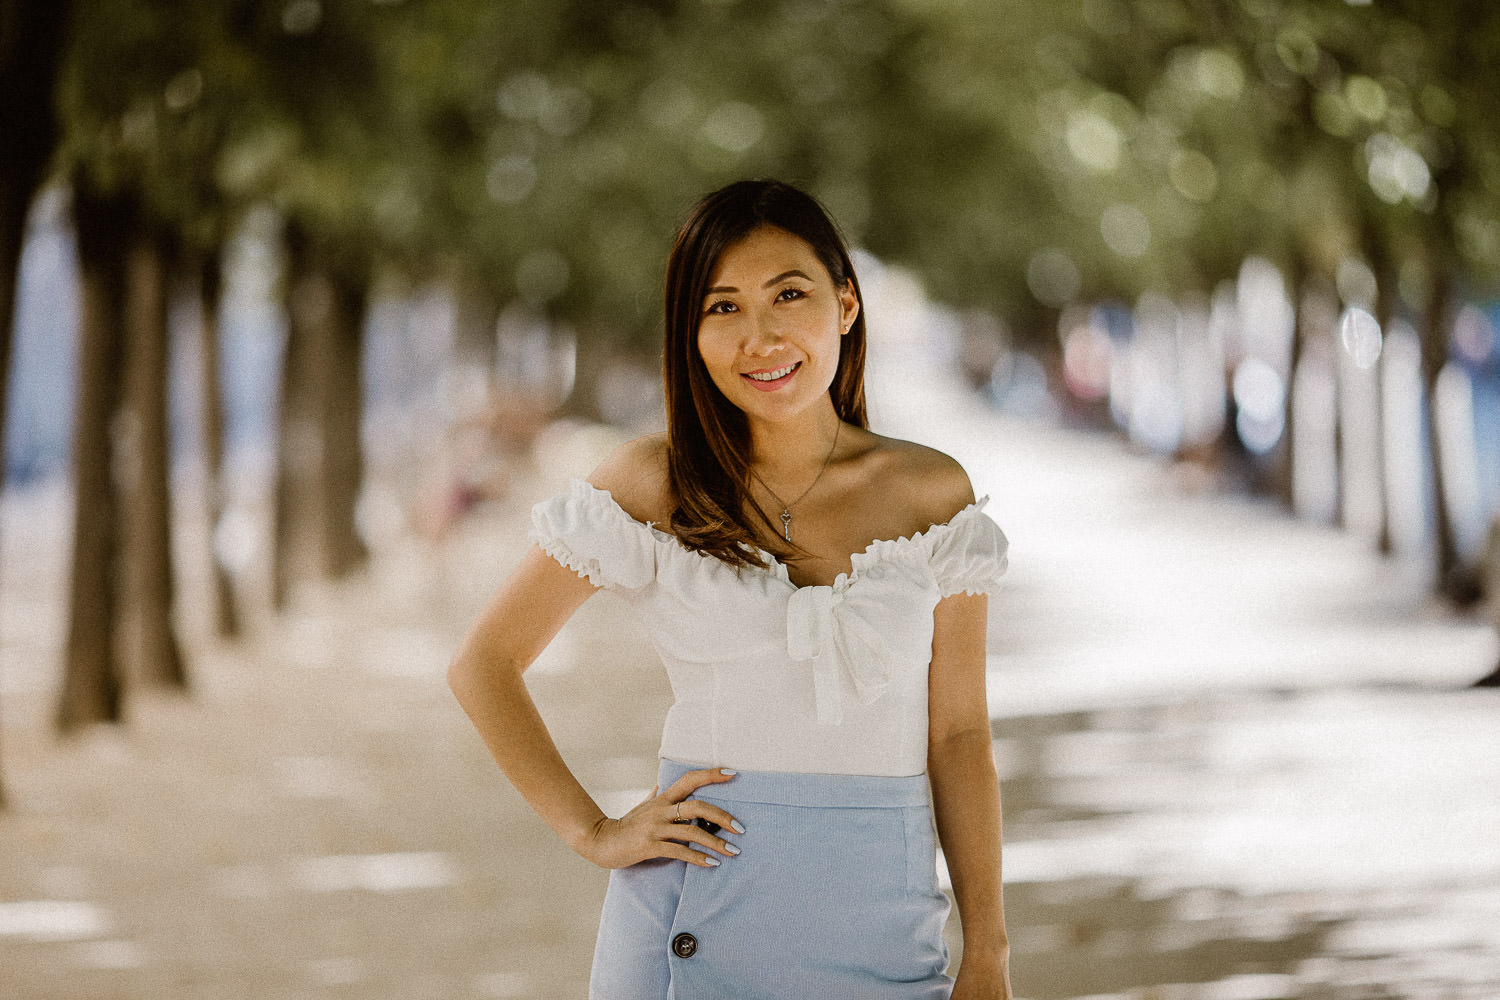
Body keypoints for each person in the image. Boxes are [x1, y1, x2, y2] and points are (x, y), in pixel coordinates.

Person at [448, 179, 1013, 998]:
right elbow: (484, 664)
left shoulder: (931, 495)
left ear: (846, 305)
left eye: (789, 294)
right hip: (690, 918)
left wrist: (989, 951)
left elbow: (958, 735)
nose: (761, 337)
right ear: (691, 331)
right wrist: (594, 831)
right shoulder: (651, 484)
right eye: (723, 307)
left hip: (886, 934)